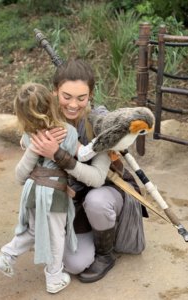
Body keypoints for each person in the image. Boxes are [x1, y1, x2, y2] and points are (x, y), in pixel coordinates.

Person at [30, 58, 147, 283]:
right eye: (67, 96)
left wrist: (59, 153)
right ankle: (84, 234)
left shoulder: (99, 121)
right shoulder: (45, 117)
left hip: (104, 192)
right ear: (55, 91)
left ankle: (105, 254)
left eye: (81, 98)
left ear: (90, 95)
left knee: (96, 201)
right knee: (75, 264)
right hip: (70, 200)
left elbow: (96, 178)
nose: (73, 105)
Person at [0, 82, 102, 293]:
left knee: (33, 229)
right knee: (55, 235)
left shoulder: (29, 135)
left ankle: (6, 255)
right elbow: (84, 154)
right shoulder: (66, 132)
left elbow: (26, 151)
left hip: (31, 189)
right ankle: (54, 277)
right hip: (52, 191)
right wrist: (102, 143)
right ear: (52, 103)